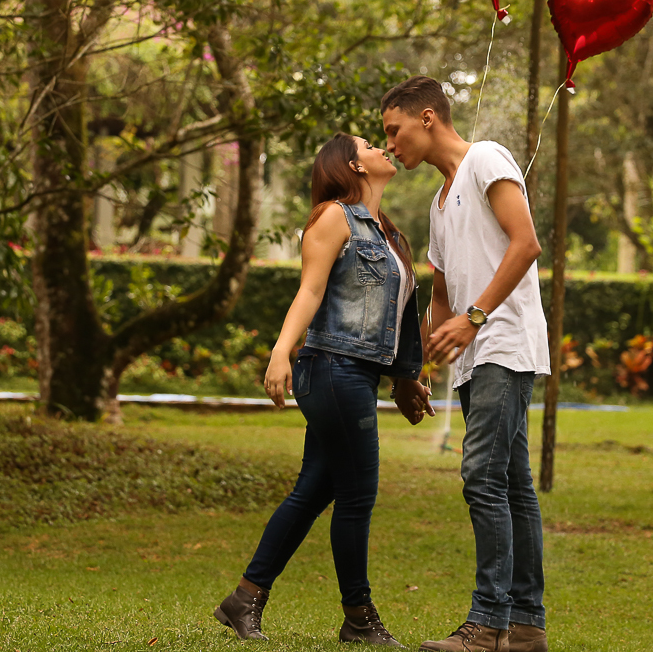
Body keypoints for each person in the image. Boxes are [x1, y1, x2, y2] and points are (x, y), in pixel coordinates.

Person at [213, 132, 435, 645]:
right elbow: (310, 289)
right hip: (332, 368)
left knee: (313, 491)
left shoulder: (391, 235)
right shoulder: (334, 216)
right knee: (357, 494)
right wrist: (280, 350)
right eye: (371, 145)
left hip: (357, 375)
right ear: (352, 165)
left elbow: (400, 319)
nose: (384, 149)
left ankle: (243, 600)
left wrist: (406, 379)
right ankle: (358, 616)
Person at [382, 76, 550, 652]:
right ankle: (527, 627)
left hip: (505, 342)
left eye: (394, 130)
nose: (390, 145)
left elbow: (525, 243)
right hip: (477, 355)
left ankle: (487, 624)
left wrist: (474, 318)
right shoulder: (438, 200)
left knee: (481, 475)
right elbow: (444, 293)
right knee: (512, 483)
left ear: (427, 118)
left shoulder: (485, 158)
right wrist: (421, 364)